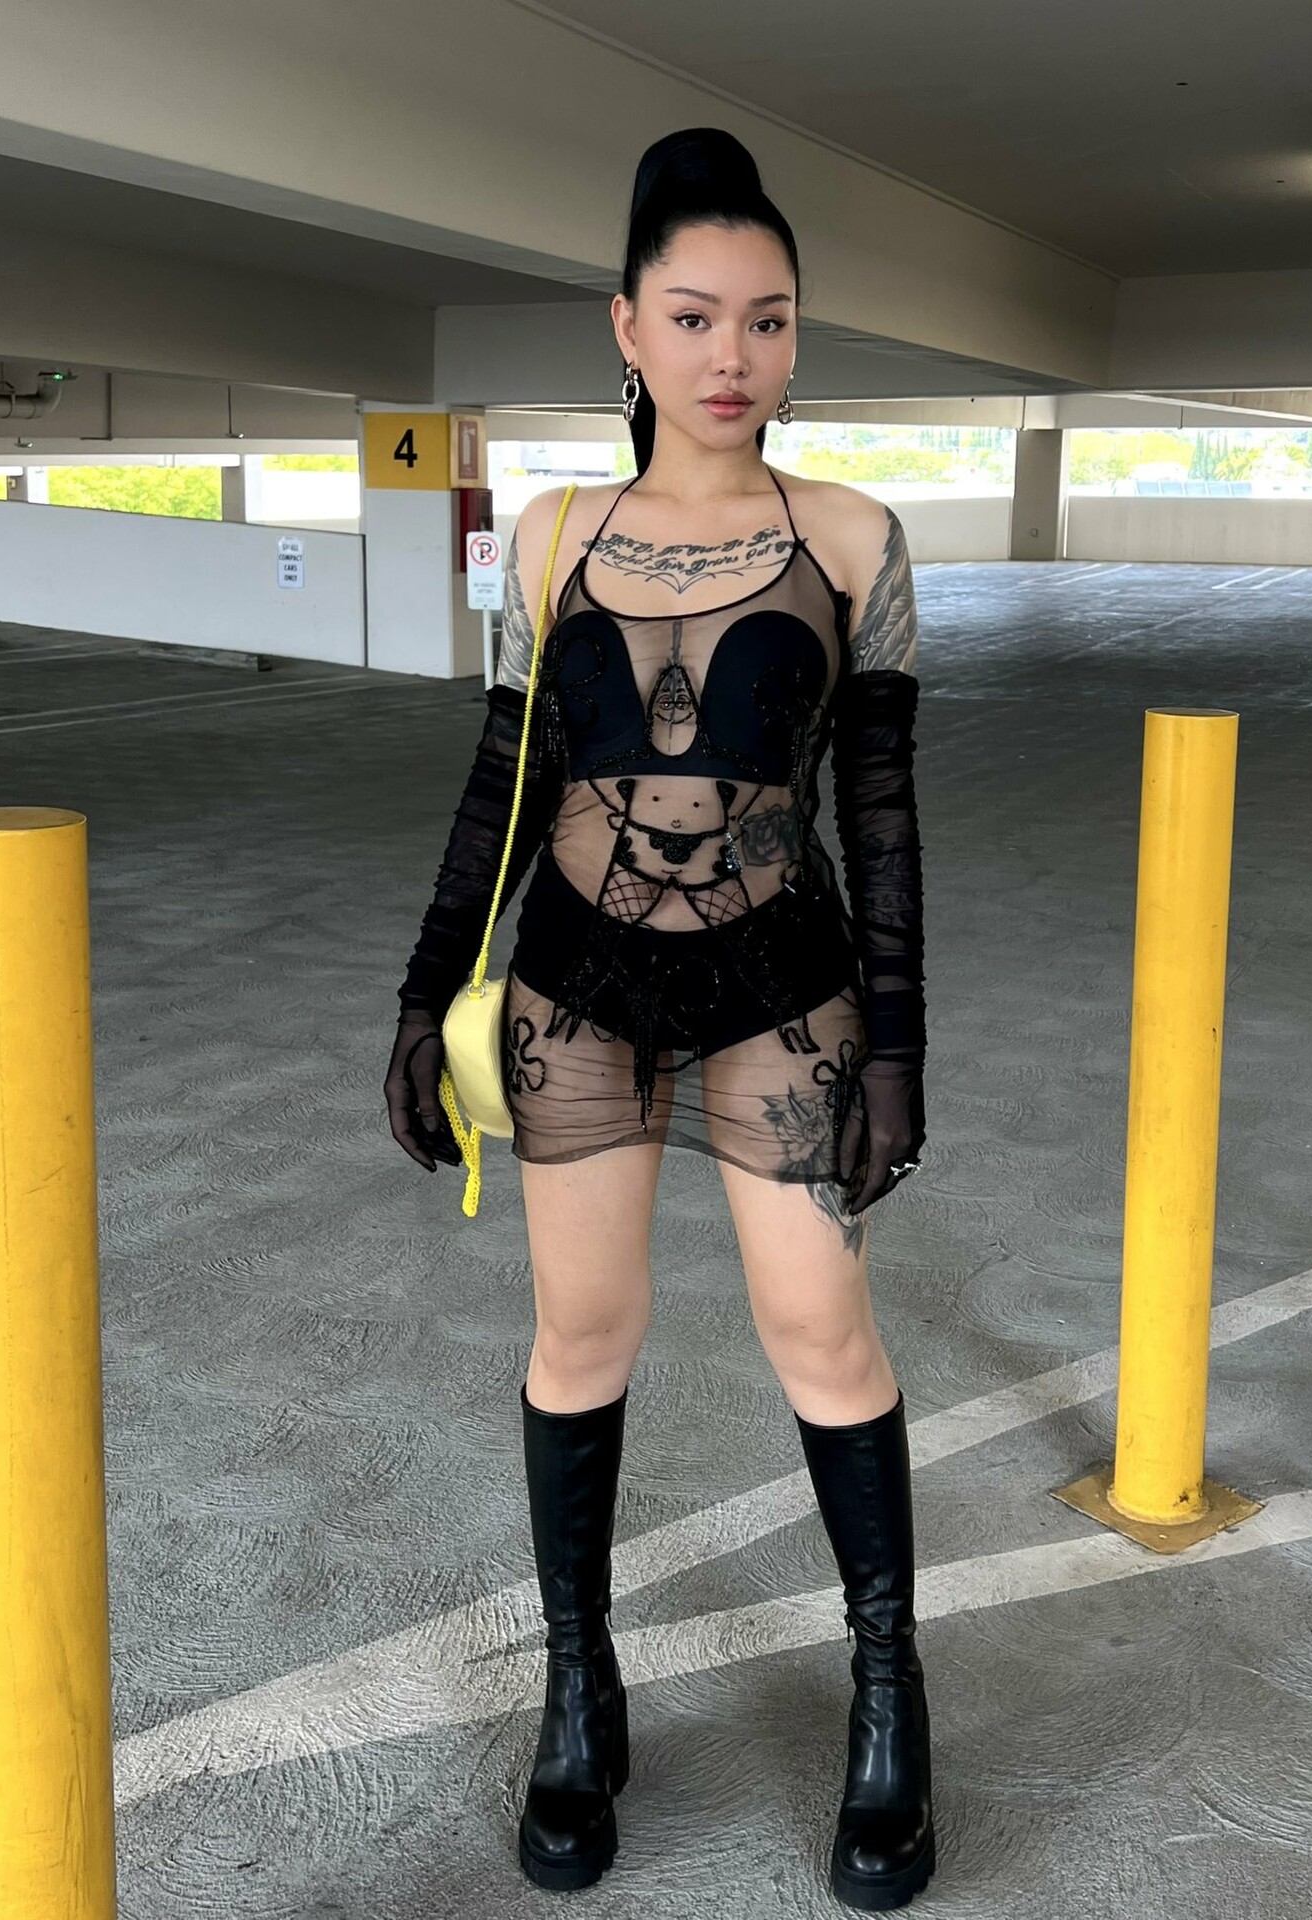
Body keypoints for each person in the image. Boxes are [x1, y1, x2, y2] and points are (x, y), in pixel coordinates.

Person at [384, 125, 933, 1911]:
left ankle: (887, 1698)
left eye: (767, 320)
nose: (732, 355)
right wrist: (425, 994)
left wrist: (901, 1047)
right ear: (626, 328)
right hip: (578, 989)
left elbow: (882, 818)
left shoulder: (851, 538)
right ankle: (580, 1688)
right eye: (694, 317)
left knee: (820, 1330)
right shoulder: (552, 538)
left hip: (784, 983)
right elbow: (501, 783)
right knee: (583, 1333)